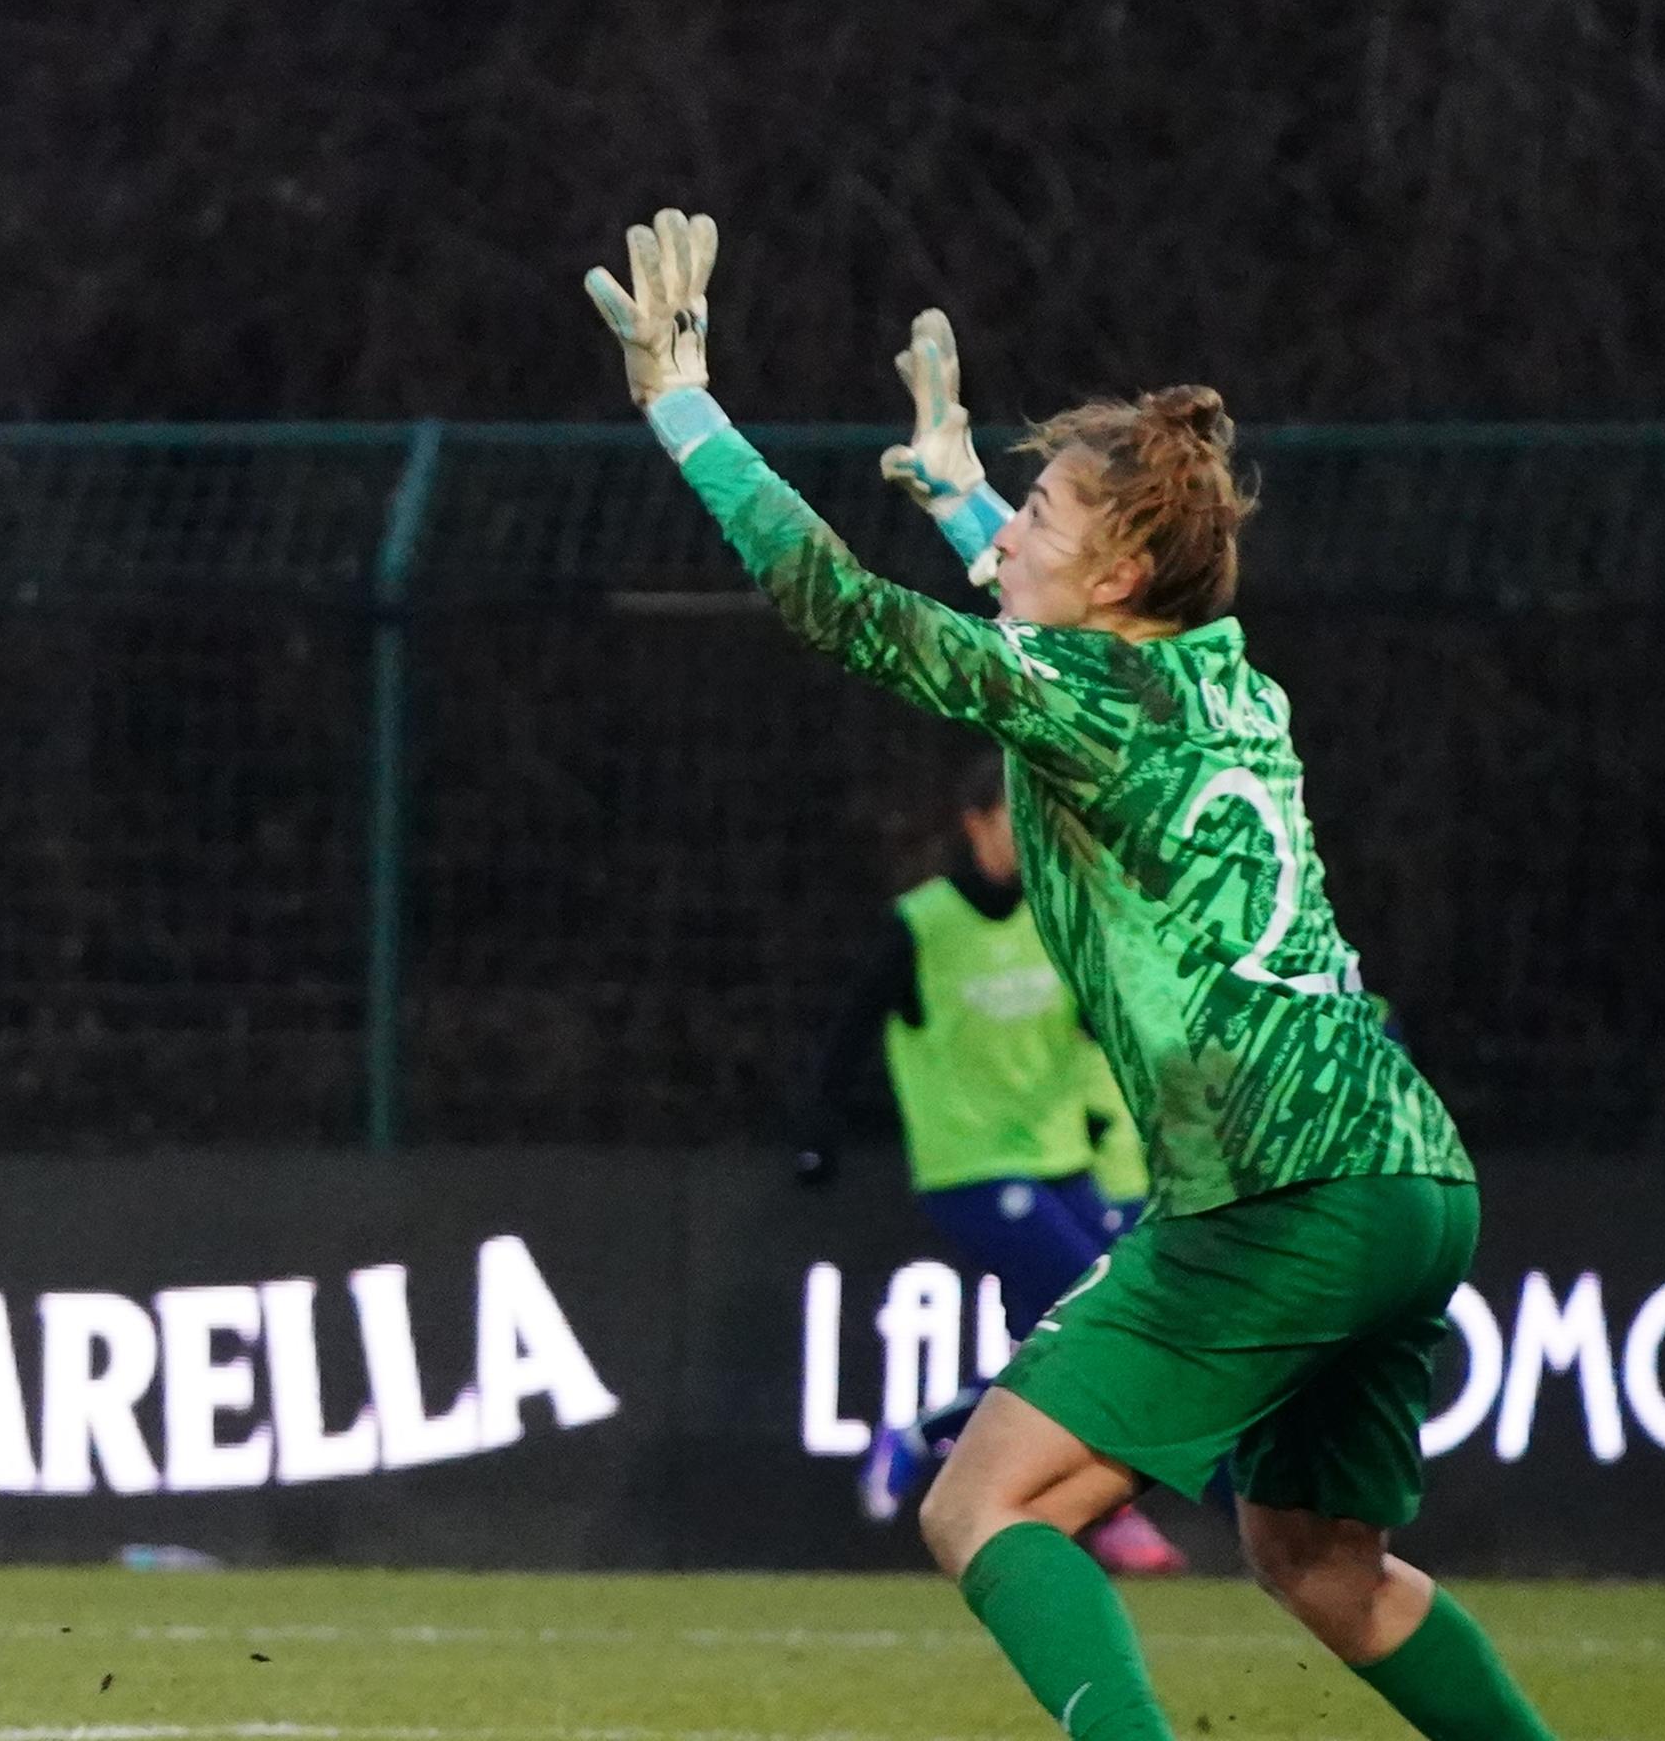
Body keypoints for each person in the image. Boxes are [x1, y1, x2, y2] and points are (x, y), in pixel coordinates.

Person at [584, 212, 1551, 1741]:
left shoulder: (1085, 693)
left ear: (1117, 570)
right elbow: (1064, 639)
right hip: (1412, 1174)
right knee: (1324, 1568)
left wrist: (682, 409)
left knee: (983, 1506)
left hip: (1274, 1189)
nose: (1015, 535)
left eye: (1042, 511)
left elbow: (842, 607)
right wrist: (967, 489)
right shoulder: (1230, 679)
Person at [804, 758, 1180, 1574]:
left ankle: (1024, 1483)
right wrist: (820, 1130)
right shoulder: (924, 924)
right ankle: (968, 1452)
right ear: (975, 823)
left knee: (1070, 1348)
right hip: (971, 1166)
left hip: (1067, 1162)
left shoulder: (1060, 913)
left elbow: (1102, 1027)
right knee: (1099, 1321)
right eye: (1019, 817)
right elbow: (848, 1030)